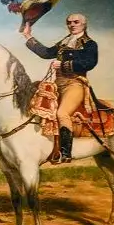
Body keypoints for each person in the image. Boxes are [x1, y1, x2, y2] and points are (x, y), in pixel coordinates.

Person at [22, 12, 99, 163]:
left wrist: (63, 64)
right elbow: (46, 53)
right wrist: (27, 36)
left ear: (84, 24)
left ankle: (65, 153)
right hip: (58, 84)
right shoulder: (65, 42)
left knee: (62, 113)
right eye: (69, 22)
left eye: (76, 22)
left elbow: (90, 63)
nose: (72, 25)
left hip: (75, 83)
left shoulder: (90, 44)